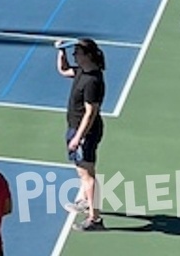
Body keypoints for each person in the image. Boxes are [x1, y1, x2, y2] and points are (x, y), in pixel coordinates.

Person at [55, 38, 107, 232]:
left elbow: (90, 112)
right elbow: (62, 70)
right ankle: (86, 200)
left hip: (85, 132)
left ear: (87, 56)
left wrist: (78, 137)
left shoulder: (92, 81)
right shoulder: (81, 72)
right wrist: (61, 51)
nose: (74, 55)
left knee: (87, 174)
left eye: (77, 52)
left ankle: (95, 219)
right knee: (83, 171)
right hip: (76, 129)